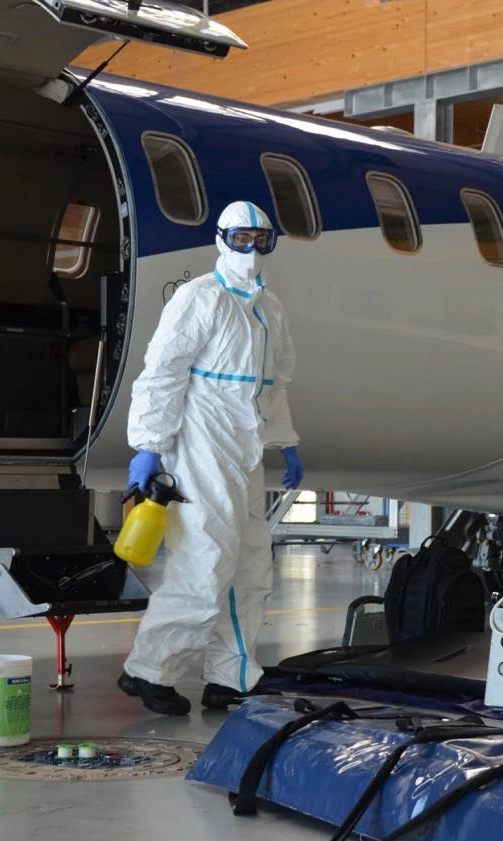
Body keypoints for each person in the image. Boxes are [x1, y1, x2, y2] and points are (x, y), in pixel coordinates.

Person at [118, 201, 304, 716]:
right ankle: (149, 670)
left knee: (249, 564)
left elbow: (275, 384)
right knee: (204, 561)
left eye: (260, 240)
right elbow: (163, 372)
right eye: (241, 238)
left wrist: (286, 441)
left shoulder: (270, 308)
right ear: (221, 238)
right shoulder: (200, 298)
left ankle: (232, 675)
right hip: (202, 440)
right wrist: (149, 446)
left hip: (245, 448)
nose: (251, 249)